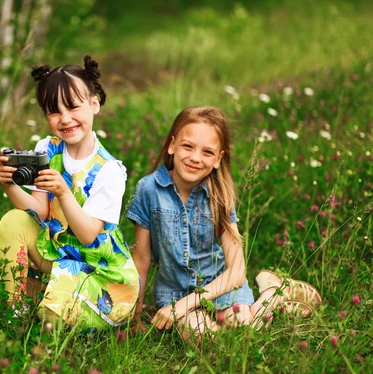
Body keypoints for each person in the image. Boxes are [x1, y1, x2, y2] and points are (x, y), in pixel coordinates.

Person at [126, 106, 321, 339]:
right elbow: (142, 259)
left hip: (222, 288)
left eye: (207, 152)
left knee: (243, 327)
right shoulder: (148, 189)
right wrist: (135, 318)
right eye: (187, 146)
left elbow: (237, 271)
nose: (195, 158)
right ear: (172, 145)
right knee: (201, 336)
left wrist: (185, 306)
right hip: (175, 293)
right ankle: (268, 299)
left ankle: (273, 292)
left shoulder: (220, 195)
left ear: (219, 159)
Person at [0, 56, 140, 331]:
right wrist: (10, 185)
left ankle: (51, 303)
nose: (65, 119)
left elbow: (87, 234)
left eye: (73, 107)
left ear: (94, 104)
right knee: (13, 220)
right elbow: (38, 211)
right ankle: (13, 312)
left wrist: (63, 192)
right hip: (60, 257)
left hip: (99, 273)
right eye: (54, 112)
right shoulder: (47, 148)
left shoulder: (108, 170)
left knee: (51, 318)